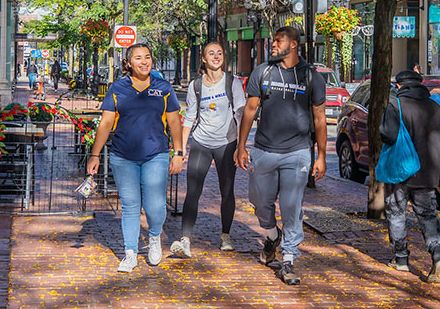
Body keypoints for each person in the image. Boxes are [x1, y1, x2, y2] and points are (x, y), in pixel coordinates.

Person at [235, 25, 327, 285]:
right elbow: (250, 109)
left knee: (291, 205)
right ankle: (272, 234)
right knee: (259, 201)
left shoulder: (311, 76)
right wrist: (242, 146)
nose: (273, 45)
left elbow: (320, 117)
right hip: (263, 149)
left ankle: (288, 258)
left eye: (278, 41)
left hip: (297, 153)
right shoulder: (262, 72)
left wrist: (321, 155)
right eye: (273, 41)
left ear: (294, 44)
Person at [87, 43, 183, 273]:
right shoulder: (117, 89)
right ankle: (130, 252)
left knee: (155, 205)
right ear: (128, 63)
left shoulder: (163, 87)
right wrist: (95, 154)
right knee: (130, 206)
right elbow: (106, 123)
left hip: (156, 154)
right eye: (138, 58)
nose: (143, 61)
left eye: (147, 57)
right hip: (123, 156)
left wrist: (178, 152)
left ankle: (154, 237)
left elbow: (174, 122)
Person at [171, 42, 246, 258]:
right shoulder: (196, 86)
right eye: (211, 53)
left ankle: (225, 235)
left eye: (219, 53)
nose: (216, 56)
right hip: (201, 142)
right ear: (203, 59)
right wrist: (181, 149)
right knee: (193, 191)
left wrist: (240, 146)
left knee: (227, 191)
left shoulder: (232, 83)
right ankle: (185, 240)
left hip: (227, 142)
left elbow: (241, 116)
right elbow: (189, 118)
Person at [379, 70, 440, 282]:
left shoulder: (395, 105)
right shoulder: (436, 108)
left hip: (400, 171)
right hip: (427, 173)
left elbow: (388, 135)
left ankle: (401, 259)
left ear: (399, 86)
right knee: (428, 215)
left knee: (396, 213)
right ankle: (438, 255)